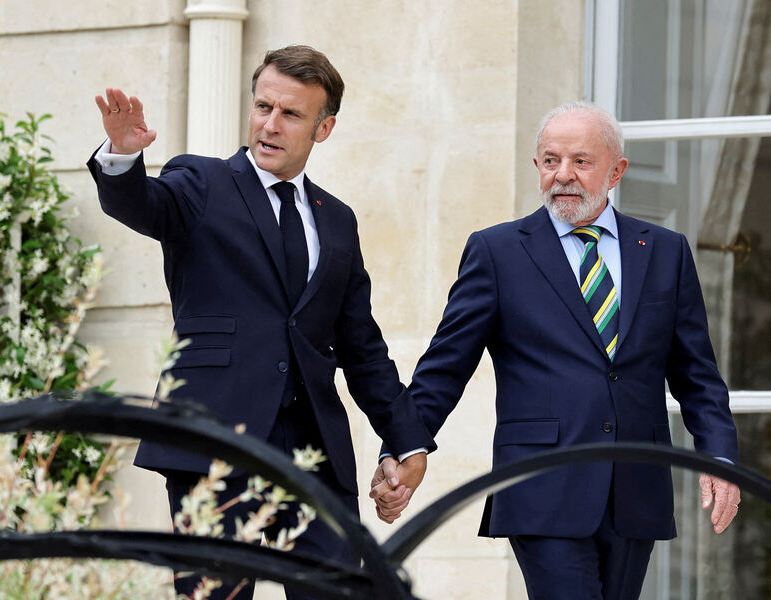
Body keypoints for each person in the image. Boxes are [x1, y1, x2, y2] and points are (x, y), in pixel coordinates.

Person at [87, 45, 434, 599]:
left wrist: (406, 441)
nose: (270, 125)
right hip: (213, 445)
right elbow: (141, 204)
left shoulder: (337, 221)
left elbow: (361, 346)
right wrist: (122, 160)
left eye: (291, 114)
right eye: (263, 107)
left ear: (324, 129)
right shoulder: (200, 182)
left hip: (314, 457)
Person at [370, 102, 740, 599]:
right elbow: (444, 368)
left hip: (636, 490)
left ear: (616, 171)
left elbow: (697, 375)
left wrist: (719, 456)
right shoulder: (498, 251)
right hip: (541, 487)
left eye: (580, 162)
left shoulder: (665, 250)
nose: (563, 175)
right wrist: (403, 445)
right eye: (550, 160)